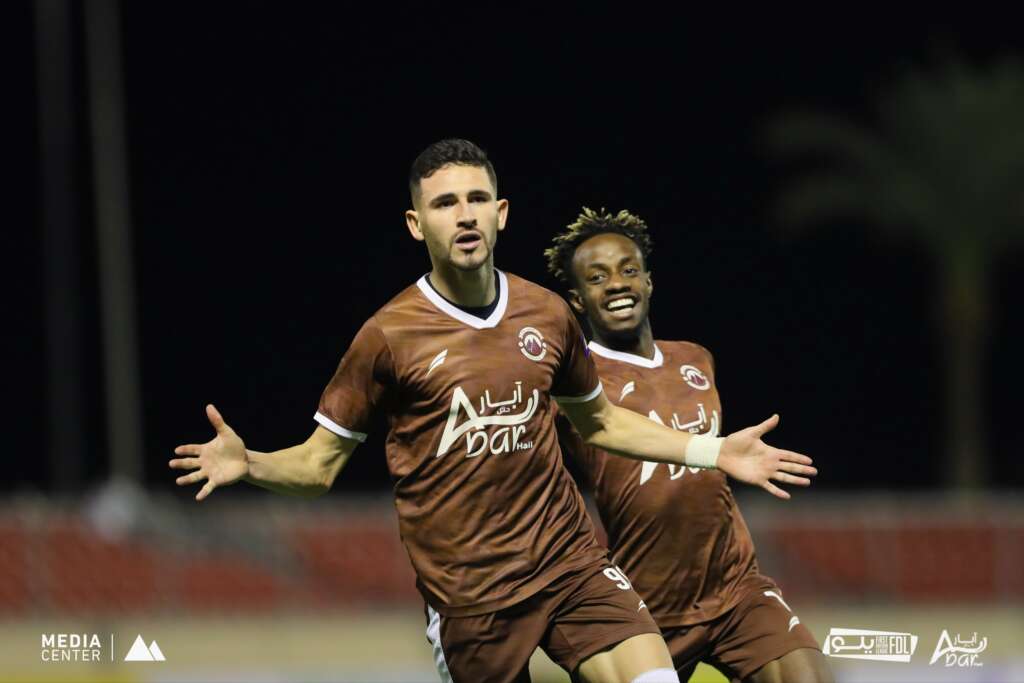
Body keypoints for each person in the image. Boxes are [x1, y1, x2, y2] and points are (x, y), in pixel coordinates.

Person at [169, 140, 816, 683]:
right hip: (471, 598)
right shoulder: (388, 336)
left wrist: (715, 450)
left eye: (477, 198)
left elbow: (602, 422)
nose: (465, 214)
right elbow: (317, 465)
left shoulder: (547, 314)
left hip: (569, 565)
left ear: (501, 213)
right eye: (445, 203)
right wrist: (247, 460)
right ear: (416, 225)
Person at [545, 208, 833, 683]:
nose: (617, 284)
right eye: (598, 278)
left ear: (649, 282)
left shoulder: (695, 359)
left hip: (735, 589)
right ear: (577, 299)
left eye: (628, 270)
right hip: (644, 607)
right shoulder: (573, 385)